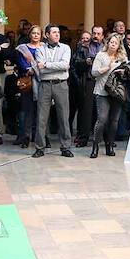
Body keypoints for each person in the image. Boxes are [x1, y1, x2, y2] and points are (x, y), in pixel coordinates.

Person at [32, 24, 73, 158]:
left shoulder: (66, 48)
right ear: (47, 35)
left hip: (61, 84)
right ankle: (40, 147)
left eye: (58, 32)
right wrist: (56, 66)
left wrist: (47, 64)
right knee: (42, 117)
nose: (57, 35)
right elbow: (40, 68)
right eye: (54, 32)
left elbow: (65, 65)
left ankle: (65, 147)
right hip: (44, 84)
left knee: (63, 117)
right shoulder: (39, 49)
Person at [90, 33, 127, 158]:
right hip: (102, 92)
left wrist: (123, 72)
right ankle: (95, 145)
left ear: (119, 45)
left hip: (117, 92)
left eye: (115, 43)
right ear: (108, 43)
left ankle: (109, 145)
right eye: (111, 42)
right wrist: (107, 67)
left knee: (114, 121)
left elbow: (128, 73)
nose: (113, 44)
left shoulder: (122, 57)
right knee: (102, 120)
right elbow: (94, 72)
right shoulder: (101, 55)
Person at [15, 25, 43, 148]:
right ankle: (25, 137)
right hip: (28, 83)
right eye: (33, 33)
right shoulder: (23, 48)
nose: (36, 35)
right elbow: (21, 63)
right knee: (27, 110)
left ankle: (41, 136)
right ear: (30, 34)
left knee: (42, 111)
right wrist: (32, 69)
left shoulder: (45, 48)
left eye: (38, 33)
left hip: (42, 81)